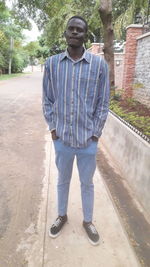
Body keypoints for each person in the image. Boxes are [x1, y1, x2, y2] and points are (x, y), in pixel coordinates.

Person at [42, 15, 110, 246]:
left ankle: (88, 221)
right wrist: (53, 128)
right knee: (62, 180)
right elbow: (47, 99)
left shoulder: (99, 65)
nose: (74, 32)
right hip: (62, 139)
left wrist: (96, 134)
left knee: (87, 183)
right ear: (65, 33)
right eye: (70, 29)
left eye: (79, 30)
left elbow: (103, 103)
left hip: (87, 141)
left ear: (85, 35)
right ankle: (62, 215)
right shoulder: (51, 64)